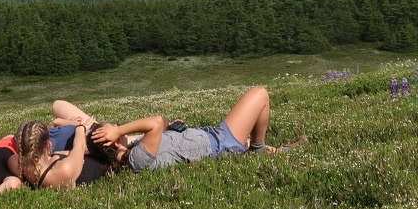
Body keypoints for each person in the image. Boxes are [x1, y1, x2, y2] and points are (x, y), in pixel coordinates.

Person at [92, 86, 304, 172]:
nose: (117, 129)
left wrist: (173, 128)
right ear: (111, 141)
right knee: (260, 94)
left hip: (213, 136)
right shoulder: (135, 159)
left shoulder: (134, 148)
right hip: (221, 143)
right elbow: (155, 122)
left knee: (255, 106)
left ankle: (267, 149)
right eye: (112, 130)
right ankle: (257, 149)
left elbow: (161, 124)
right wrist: (119, 129)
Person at [14, 121, 118, 189]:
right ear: (47, 144)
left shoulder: (21, 165)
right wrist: (81, 127)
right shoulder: (63, 170)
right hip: (102, 161)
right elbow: (79, 146)